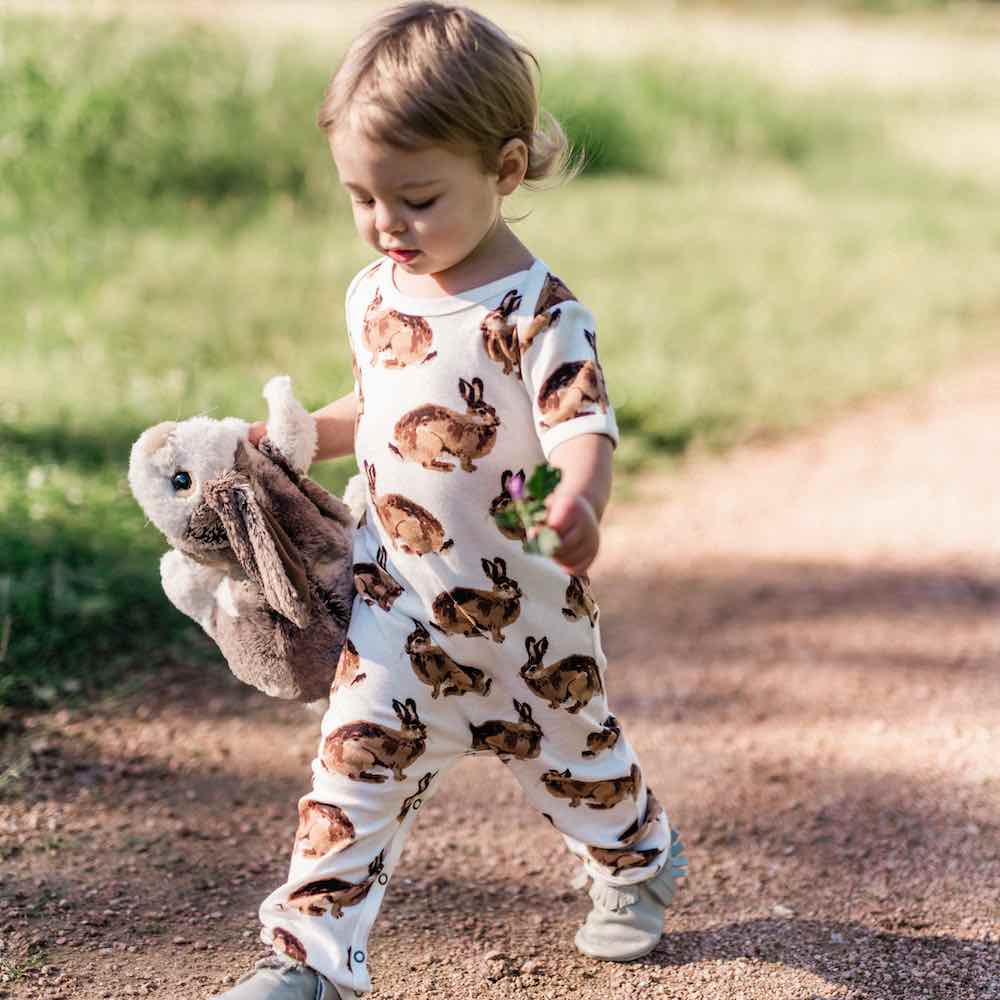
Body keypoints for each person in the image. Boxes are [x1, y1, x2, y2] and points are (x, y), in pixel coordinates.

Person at [215, 4, 685, 998]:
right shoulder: (374, 292)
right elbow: (381, 402)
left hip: (529, 624)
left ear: (505, 170)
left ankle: (638, 859)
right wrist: (293, 438)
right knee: (349, 775)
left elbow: (579, 425)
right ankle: (308, 957)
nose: (388, 225)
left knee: (578, 769)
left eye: (416, 198)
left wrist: (582, 505)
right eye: (361, 197)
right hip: (394, 610)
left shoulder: (538, 312)